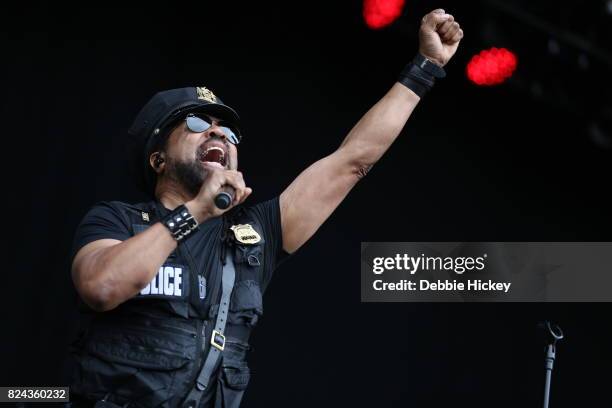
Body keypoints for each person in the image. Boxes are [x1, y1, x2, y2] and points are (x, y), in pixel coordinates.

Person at [69, 9, 463, 408]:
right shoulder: (116, 220)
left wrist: (425, 68)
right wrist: (196, 211)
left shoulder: (258, 233)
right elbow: (101, 288)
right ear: (159, 161)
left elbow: (353, 160)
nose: (217, 130)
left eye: (226, 129)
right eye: (193, 123)